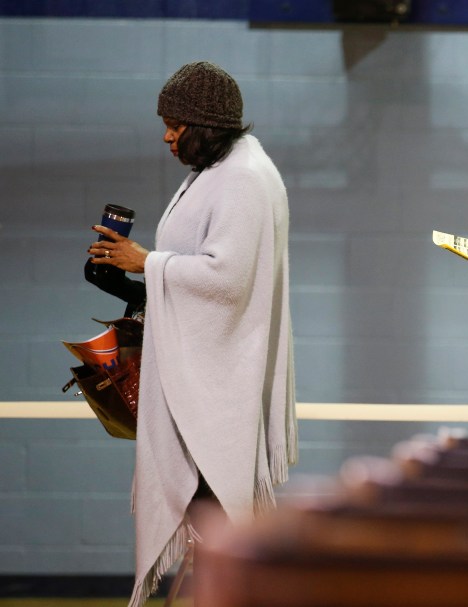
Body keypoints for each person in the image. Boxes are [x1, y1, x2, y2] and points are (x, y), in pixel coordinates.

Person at [86, 61, 297, 607]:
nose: (166, 135)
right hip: (206, 380)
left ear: (205, 125)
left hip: (216, 392)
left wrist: (146, 261)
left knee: (220, 527)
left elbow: (226, 280)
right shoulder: (220, 170)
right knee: (213, 537)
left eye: (175, 124)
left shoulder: (243, 178)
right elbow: (199, 274)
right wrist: (131, 282)